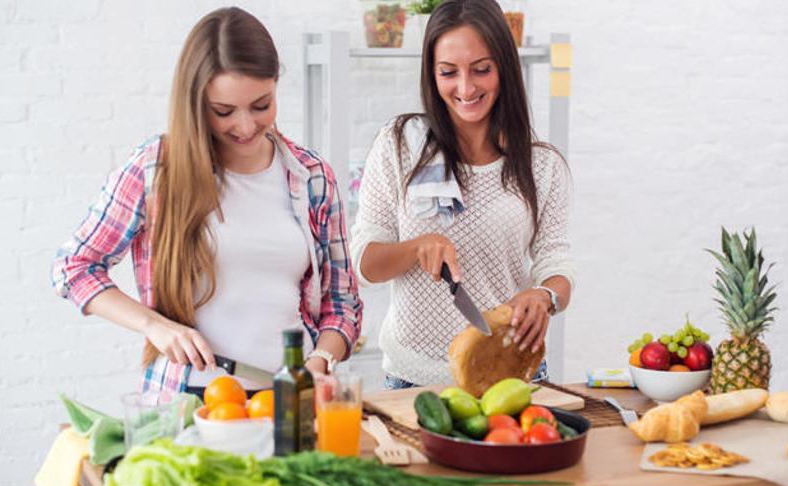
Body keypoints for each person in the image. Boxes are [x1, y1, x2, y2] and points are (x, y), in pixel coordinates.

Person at [52, 7, 361, 396]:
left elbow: (342, 300)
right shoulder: (157, 169)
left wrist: (318, 364)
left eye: (262, 105)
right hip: (187, 398)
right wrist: (155, 326)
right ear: (196, 103)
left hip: (290, 398)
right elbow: (73, 268)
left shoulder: (312, 176)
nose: (246, 126)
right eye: (224, 111)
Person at [350, 0, 574, 389]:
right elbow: (365, 264)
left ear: (504, 67)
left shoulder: (542, 164)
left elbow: (556, 261)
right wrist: (417, 247)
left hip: (511, 375)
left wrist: (543, 296)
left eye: (481, 69)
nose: (466, 88)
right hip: (412, 381)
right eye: (448, 72)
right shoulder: (400, 145)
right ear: (431, 74)